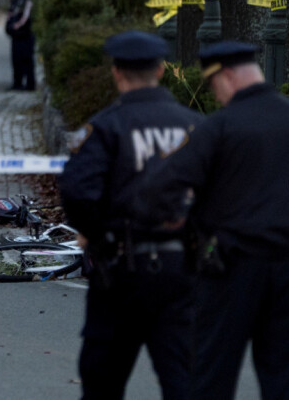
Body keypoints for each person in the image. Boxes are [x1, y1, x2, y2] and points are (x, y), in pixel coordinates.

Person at [132, 41, 289, 400]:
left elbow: (161, 186)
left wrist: (177, 219)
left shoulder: (219, 127)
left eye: (213, 86)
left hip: (234, 270)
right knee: (286, 381)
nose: (216, 95)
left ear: (225, 76)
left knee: (209, 376)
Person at [58, 30, 203, 400]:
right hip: (181, 268)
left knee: (103, 377)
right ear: (160, 70)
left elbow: (77, 191)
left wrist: (98, 236)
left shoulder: (106, 126)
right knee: (184, 377)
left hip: (121, 269)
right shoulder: (196, 126)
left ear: (116, 72)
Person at [5, 0, 35, 91]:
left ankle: (29, 84)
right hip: (16, 36)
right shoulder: (16, 1)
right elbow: (10, 16)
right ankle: (17, 83)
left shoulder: (27, 0)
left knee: (26, 60)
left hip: (25, 35)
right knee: (16, 60)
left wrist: (15, 27)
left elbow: (25, 18)